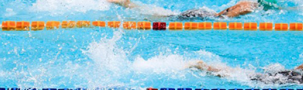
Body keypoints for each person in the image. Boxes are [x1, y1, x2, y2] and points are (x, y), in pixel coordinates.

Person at [188, 58, 303, 85]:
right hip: (295, 80)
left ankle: (209, 67)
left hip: (294, 76)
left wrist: (291, 71)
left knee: (249, 76)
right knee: (249, 78)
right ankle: (205, 67)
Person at [108, 0, 280, 19]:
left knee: (161, 14)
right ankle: (123, 2)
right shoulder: (248, 5)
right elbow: (226, 15)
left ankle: (123, 2)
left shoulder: (247, 3)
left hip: (203, 13)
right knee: (159, 17)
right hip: (202, 16)